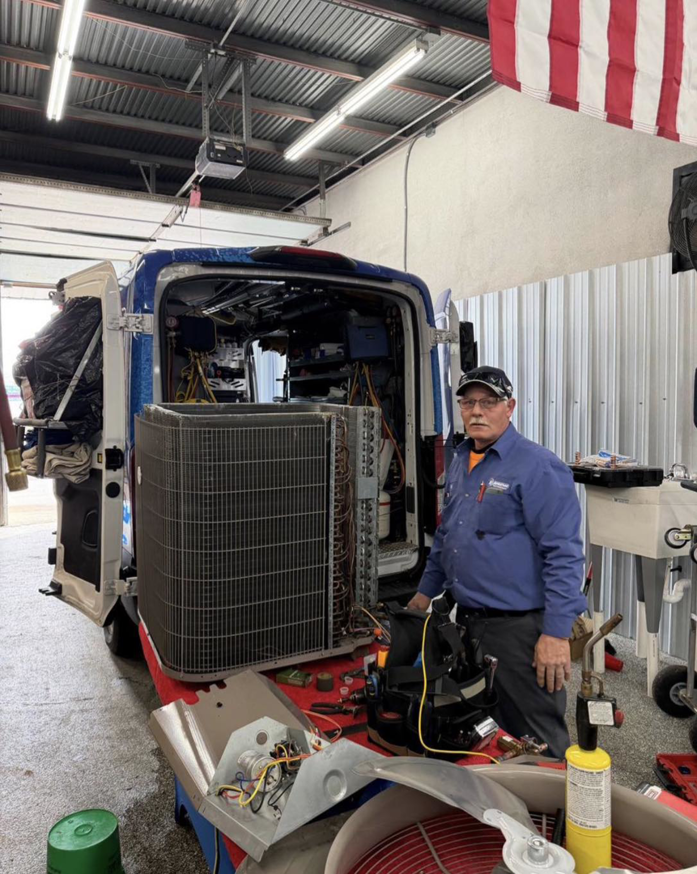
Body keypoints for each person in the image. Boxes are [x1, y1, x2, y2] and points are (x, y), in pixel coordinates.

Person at [408, 366, 586, 757]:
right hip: (469, 625)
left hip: (520, 632)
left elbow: (565, 554)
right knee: (485, 732)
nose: (476, 411)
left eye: (488, 402)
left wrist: (555, 635)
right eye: (468, 402)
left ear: (510, 407)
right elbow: (448, 537)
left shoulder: (538, 467)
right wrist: (423, 595)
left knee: (536, 738)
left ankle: (552, 812)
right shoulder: (460, 461)